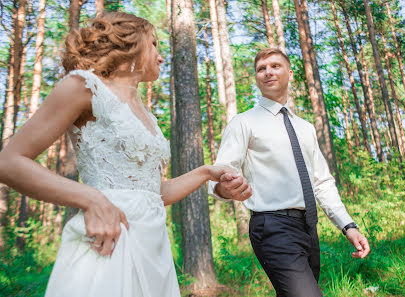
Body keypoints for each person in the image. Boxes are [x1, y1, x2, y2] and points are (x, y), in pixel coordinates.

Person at [0, 12, 235, 297]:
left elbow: (147, 193)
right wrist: (91, 198)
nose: (161, 56)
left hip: (154, 249)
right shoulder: (84, 86)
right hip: (108, 240)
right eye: (154, 44)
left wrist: (206, 172)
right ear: (130, 43)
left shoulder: (146, 114)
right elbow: (9, 162)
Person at [209, 48, 370, 297]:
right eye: (261, 69)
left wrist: (348, 226)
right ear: (256, 78)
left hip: (308, 227)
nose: (267, 72)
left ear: (290, 74)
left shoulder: (304, 128)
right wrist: (222, 188)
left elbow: (322, 182)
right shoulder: (243, 122)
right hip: (271, 226)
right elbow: (220, 174)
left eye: (275, 66)